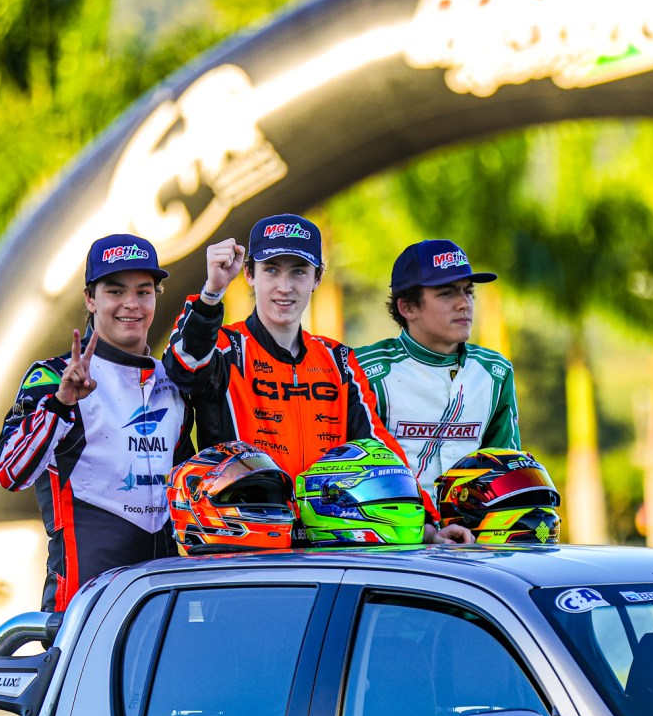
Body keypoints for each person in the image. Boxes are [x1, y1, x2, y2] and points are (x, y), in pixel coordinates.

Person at [163, 213, 466, 543]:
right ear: (249, 274)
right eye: (271, 270)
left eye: (298, 271)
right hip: (246, 542)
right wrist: (212, 292)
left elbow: (380, 448)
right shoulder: (224, 349)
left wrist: (428, 525)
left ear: (317, 277)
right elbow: (180, 365)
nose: (285, 287)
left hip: (329, 541)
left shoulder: (338, 360)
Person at [0, 233, 194, 611]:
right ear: (90, 298)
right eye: (115, 291)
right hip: (84, 608)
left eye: (143, 292)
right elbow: (9, 473)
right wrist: (61, 405)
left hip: (163, 602)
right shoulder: (53, 376)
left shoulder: (172, 382)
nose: (131, 304)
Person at [355, 239, 520, 497]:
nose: (464, 303)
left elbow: (505, 468)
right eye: (447, 293)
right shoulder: (362, 370)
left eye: (469, 292)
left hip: (475, 521)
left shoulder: (495, 371)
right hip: (393, 519)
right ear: (407, 307)